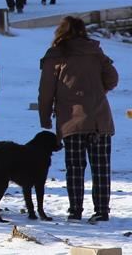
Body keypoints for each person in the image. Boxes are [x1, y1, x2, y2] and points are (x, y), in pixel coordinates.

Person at [38, 16, 118, 223]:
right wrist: (98, 91)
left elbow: (46, 91)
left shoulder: (55, 55)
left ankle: (75, 210)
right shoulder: (95, 51)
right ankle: (102, 210)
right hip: (99, 118)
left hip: (71, 120)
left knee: (74, 167)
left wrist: (45, 117)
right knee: (101, 168)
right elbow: (112, 78)